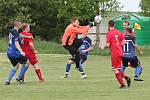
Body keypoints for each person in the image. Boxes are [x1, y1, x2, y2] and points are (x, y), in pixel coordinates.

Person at [101, 20, 131, 88]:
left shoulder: (109, 33)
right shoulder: (119, 32)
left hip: (114, 53)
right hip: (120, 52)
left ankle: (122, 84)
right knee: (117, 68)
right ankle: (126, 78)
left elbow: (108, 44)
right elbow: (124, 42)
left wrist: (103, 46)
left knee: (115, 69)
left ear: (108, 26)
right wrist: (119, 45)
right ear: (114, 25)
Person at [5, 20, 29, 85]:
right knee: (27, 62)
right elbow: (16, 43)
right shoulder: (16, 33)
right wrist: (21, 52)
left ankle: (8, 80)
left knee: (16, 66)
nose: (21, 26)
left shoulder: (12, 31)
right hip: (14, 52)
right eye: (20, 24)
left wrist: (27, 37)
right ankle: (19, 78)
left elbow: (19, 35)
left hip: (9, 52)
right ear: (18, 25)